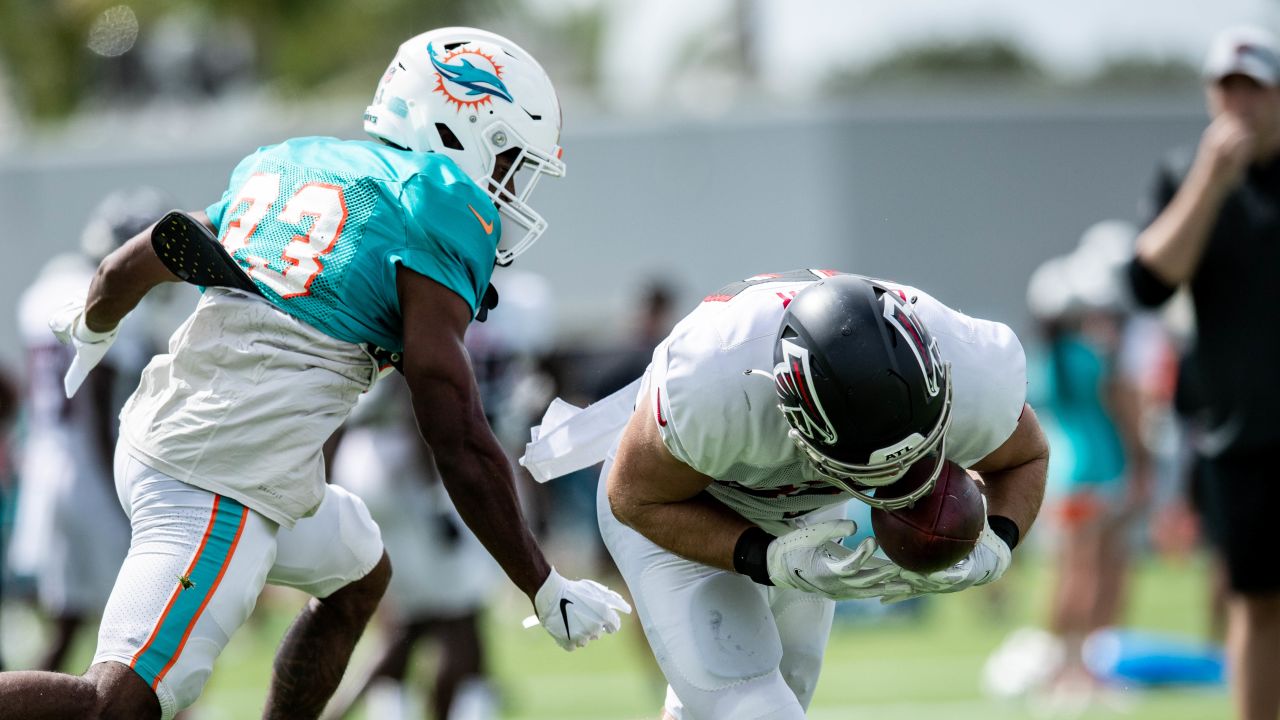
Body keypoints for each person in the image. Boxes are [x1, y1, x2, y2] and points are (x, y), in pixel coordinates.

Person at [0, 27, 628, 720]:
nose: (510, 187)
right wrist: (540, 582)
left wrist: (96, 317)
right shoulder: (440, 204)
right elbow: (452, 426)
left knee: (358, 571)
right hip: (224, 476)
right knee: (113, 706)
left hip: (184, 434)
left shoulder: (295, 159)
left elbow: (154, 247)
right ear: (462, 127)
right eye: (509, 160)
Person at [525, 269, 1049, 719]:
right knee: (752, 705)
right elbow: (633, 497)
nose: (896, 490)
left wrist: (998, 542)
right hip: (686, 501)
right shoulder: (714, 386)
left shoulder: (973, 366)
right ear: (794, 415)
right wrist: (766, 556)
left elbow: (1026, 456)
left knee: (786, 693)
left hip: (808, 505)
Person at [1126, 24, 1280, 720]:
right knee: (1256, 601)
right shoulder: (1188, 177)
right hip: (1244, 434)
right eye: (1229, 89)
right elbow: (1151, 282)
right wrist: (1211, 181)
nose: (1241, 105)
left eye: (1256, 90)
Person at [7, 188, 174, 674]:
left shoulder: (47, 288)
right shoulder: (119, 303)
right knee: (149, 624)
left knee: (68, 621)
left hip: (45, 466)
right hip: (92, 474)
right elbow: (97, 408)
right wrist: (121, 493)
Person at [324, 374, 502, 720]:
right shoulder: (410, 324)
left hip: (359, 464)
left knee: (408, 623)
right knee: (461, 615)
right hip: (403, 471)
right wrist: (434, 499)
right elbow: (416, 402)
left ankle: (331, 713)